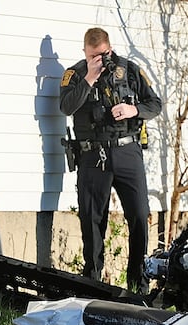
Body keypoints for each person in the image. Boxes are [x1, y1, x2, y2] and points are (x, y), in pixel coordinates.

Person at [59, 27, 162, 297]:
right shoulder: (75, 74)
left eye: (103, 54)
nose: (100, 60)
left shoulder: (128, 70)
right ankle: (92, 284)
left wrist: (133, 109)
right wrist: (90, 78)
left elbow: (155, 104)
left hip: (127, 152)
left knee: (139, 215)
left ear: (110, 48)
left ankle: (138, 285)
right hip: (93, 155)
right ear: (85, 52)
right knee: (92, 221)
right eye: (94, 56)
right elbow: (66, 107)